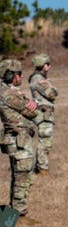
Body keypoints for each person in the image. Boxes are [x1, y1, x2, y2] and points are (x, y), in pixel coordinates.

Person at [0, 59, 39, 218]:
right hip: (19, 142)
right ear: (10, 76)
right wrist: (34, 102)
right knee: (22, 178)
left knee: (19, 177)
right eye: (19, 74)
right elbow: (32, 112)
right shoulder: (9, 94)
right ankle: (15, 216)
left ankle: (14, 214)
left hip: (17, 141)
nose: (22, 76)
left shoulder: (7, 91)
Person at [28, 53, 57, 175]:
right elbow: (52, 94)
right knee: (45, 141)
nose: (49, 67)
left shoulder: (41, 79)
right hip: (43, 114)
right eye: (47, 64)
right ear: (42, 65)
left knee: (46, 142)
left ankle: (41, 167)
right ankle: (42, 169)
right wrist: (53, 88)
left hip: (46, 114)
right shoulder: (38, 80)